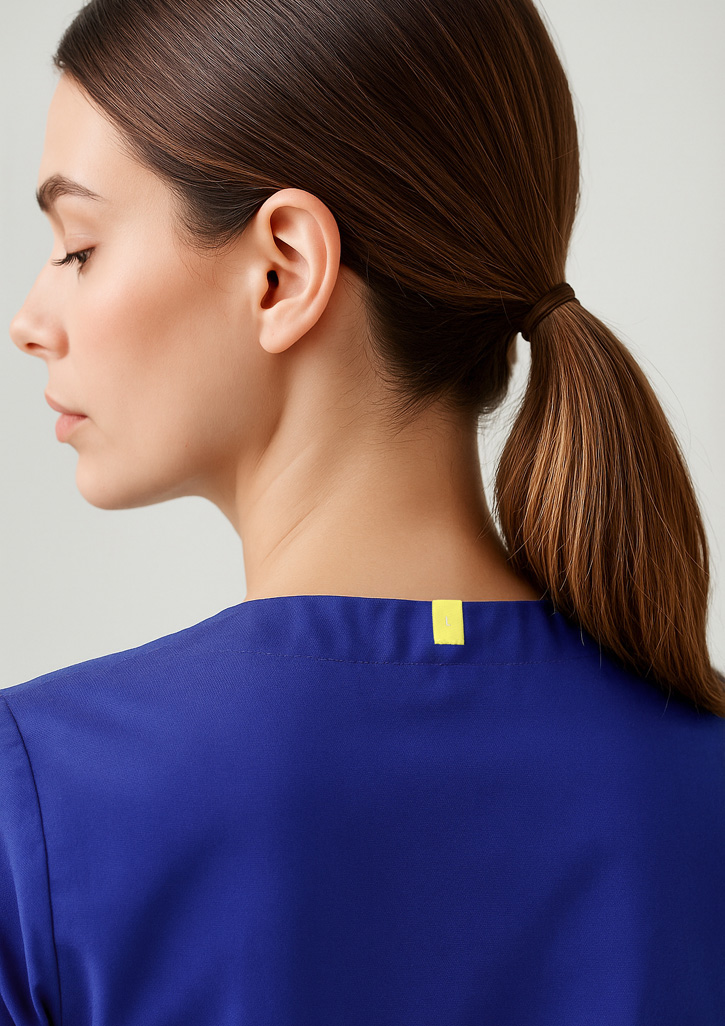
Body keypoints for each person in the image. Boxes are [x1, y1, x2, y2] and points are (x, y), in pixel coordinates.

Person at [2, 0, 723, 1023]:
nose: (30, 322)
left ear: (281, 271)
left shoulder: (39, 802)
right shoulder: (698, 774)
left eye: (78, 247)